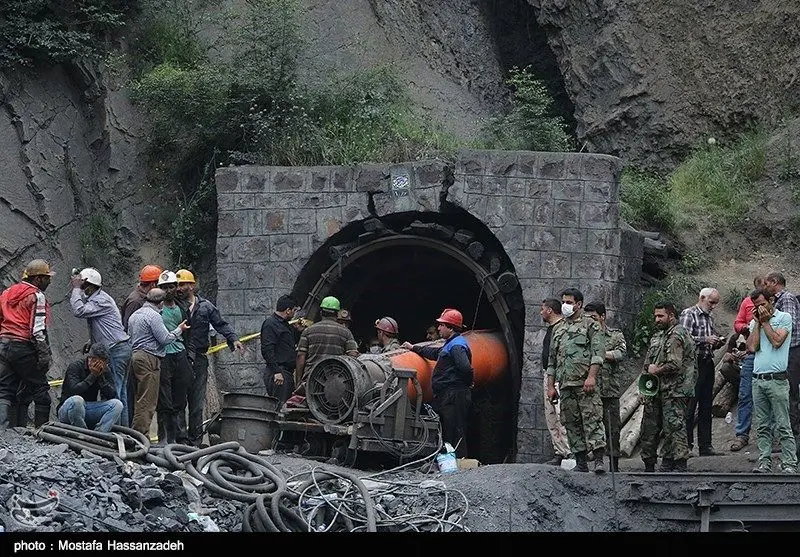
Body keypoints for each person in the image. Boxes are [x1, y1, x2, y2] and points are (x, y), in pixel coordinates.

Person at [175, 269, 244, 446]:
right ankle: (181, 441)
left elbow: (220, 324)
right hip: (180, 358)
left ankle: (195, 441)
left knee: (197, 404)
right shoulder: (174, 306)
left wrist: (233, 339)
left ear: (192, 286)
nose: (179, 288)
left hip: (199, 358)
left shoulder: (205, 307)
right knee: (179, 402)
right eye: (177, 285)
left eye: (182, 284)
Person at [545, 288, 606, 473]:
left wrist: (591, 377)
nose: (565, 305)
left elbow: (598, 354)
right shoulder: (558, 329)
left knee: (593, 420)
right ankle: (581, 462)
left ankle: (599, 461)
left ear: (578, 304)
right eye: (563, 301)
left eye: (569, 302)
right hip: (565, 385)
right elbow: (552, 361)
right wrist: (550, 386)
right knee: (570, 423)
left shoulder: (590, 325)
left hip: (585, 384)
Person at [402, 308, 474, 458]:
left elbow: (465, 368)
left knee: (455, 430)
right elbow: (435, 354)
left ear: (450, 327)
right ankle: (450, 461)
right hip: (449, 395)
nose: (439, 328)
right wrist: (414, 348)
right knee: (448, 429)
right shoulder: (451, 344)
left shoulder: (457, 346)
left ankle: (458, 463)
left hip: (454, 395)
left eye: (442, 325)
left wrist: (467, 382)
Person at [69, 267, 133, 427]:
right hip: (118, 347)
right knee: (120, 393)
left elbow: (79, 311)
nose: (82, 290)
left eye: (84, 286)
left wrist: (76, 289)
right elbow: (105, 325)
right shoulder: (99, 299)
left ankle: (116, 431)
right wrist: (92, 341)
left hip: (115, 350)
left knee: (114, 393)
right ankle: (122, 430)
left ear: (90, 286)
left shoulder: (100, 300)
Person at [640, 302, 696, 472]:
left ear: (671, 316)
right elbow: (648, 363)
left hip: (674, 390)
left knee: (674, 427)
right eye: (655, 316)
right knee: (650, 427)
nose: (657, 319)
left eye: (660, 316)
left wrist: (657, 370)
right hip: (656, 389)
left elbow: (674, 364)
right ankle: (653, 463)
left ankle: (678, 464)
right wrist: (644, 385)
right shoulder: (658, 336)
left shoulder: (676, 335)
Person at [127, 288, 190, 436]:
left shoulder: (135, 315)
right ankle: (140, 436)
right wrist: (179, 329)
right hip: (149, 358)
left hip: (136, 356)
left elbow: (129, 338)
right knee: (148, 401)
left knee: (139, 397)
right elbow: (165, 339)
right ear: (161, 303)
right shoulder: (154, 316)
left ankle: (139, 434)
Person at [0, 259, 54, 429]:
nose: (49, 281)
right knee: (41, 391)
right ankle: (42, 433)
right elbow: (37, 329)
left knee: (5, 390)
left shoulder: (7, 293)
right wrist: (43, 353)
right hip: (22, 346)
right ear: (37, 279)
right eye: (46, 277)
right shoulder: (36, 296)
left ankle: (3, 431)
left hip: (3, 345)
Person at [747, 288, 797, 473]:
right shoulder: (756, 322)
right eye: (756, 306)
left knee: (783, 424)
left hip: (777, 380)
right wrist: (757, 324)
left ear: (771, 301)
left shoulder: (784, 318)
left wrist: (766, 322)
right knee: (762, 425)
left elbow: (777, 342)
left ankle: (790, 463)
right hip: (758, 379)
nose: (759, 308)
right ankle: (764, 462)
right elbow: (752, 347)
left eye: (762, 304)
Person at [680, 287, 725, 456]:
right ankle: (687, 445)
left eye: (715, 303)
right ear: (702, 298)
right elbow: (683, 339)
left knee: (706, 405)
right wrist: (705, 339)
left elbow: (710, 336)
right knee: (690, 405)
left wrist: (717, 341)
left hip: (707, 362)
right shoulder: (688, 314)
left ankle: (706, 446)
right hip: (693, 364)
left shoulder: (708, 317)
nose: (713, 306)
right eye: (711, 302)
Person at [584, 301, 626, 472]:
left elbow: (620, 353)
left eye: (594, 317)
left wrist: (599, 354)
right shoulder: (585, 336)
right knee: (594, 426)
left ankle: (615, 464)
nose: (591, 322)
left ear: (602, 317)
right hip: (591, 391)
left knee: (613, 428)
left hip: (610, 390)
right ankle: (598, 460)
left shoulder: (614, 335)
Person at [762, 271, 800, 456]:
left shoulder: (787, 299)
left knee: (789, 394)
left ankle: (792, 438)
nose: (764, 286)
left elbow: (788, 325)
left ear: (774, 282)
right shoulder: (778, 300)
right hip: (785, 352)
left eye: (766, 283)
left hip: (791, 352)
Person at [294, 296, 359, 395]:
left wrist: (299, 381)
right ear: (337, 314)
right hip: (336, 381)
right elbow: (352, 356)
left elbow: (300, 357)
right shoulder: (346, 332)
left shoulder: (308, 331)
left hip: (311, 379)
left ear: (321, 313)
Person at [731, 274, 766, 452]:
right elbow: (737, 323)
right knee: (745, 395)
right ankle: (742, 434)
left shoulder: (774, 307)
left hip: (768, 355)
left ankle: (770, 436)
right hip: (750, 351)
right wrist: (745, 327)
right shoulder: (746, 303)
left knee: (770, 396)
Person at [155, 271, 191, 444]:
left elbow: (189, 333)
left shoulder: (182, 308)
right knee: (164, 400)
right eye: (164, 287)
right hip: (163, 356)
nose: (168, 290)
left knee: (180, 398)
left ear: (176, 287)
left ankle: (181, 436)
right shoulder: (155, 309)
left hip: (180, 354)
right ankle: (165, 437)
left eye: (170, 286)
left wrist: (189, 356)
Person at [57, 343, 122, 432]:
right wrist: (92, 376)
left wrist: (101, 378)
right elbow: (74, 390)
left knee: (117, 404)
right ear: (90, 359)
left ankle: (99, 435)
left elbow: (111, 395)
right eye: (97, 361)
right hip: (68, 409)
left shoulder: (105, 370)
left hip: (89, 409)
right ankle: (82, 434)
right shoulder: (75, 367)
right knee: (77, 401)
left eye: (102, 362)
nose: (100, 365)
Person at [539, 298, 571, 466]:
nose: (541, 312)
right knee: (550, 415)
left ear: (550, 310)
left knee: (560, 414)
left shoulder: (562, 328)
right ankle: (559, 452)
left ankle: (569, 453)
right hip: (549, 375)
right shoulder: (551, 329)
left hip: (559, 377)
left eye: (542, 309)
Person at [260, 295, 298, 406]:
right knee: (279, 407)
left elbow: (287, 345)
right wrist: (276, 371)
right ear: (288, 310)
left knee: (285, 405)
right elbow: (267, 350)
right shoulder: (270, 324)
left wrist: (297, 331)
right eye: (294, 310)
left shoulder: (285, 325)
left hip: (286, 373)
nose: (294, 314)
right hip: (278, 374)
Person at [121, 265, 163, 331]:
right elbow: (127, 326)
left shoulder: (147, 297)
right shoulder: (135, 302)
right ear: (153, 285)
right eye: (159, 285)